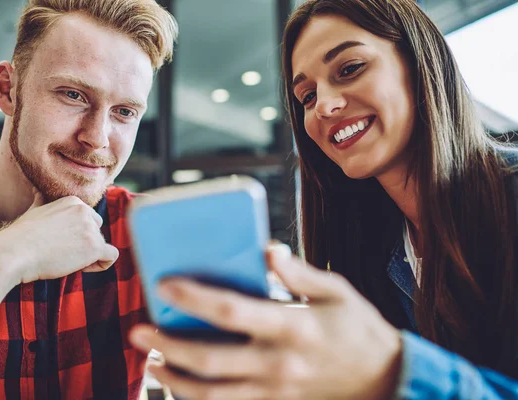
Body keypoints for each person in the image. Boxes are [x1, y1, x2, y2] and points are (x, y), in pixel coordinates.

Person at [129, 0, 518, 398]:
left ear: (421, 64)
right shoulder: (369, 245)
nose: (325, 107)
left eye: (350, 69)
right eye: (308, 96)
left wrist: (389, 370)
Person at [0, 0, 177, 398]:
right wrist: (3, 256)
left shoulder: (152, 231)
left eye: (124, 111)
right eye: (73, 94)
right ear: (7, 89)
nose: (97, 137)